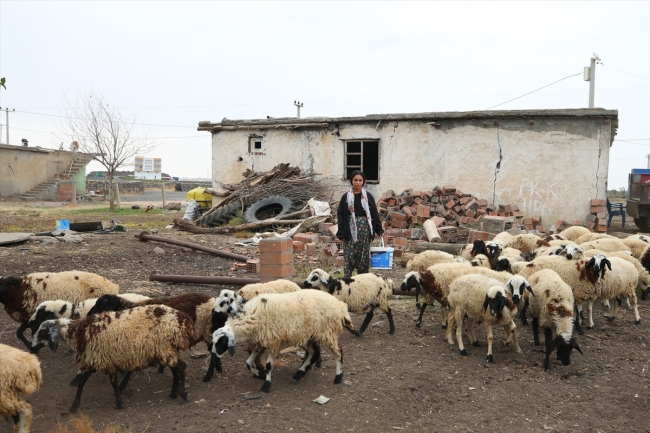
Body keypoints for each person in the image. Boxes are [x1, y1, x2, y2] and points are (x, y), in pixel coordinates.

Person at [336, 170, 384, 277]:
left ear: (363, 182)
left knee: (363, 255)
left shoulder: (368, 197)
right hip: (350, 230)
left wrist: (379, 230)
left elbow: (374, 214)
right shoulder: (346, 197)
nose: (358, 182)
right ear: (351, 181)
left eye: (360, 180)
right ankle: (347, 280)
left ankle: (362, 279)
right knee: (349, 254)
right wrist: (341, 233)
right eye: (355, 180)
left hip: (364, 230)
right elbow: (340, 215)